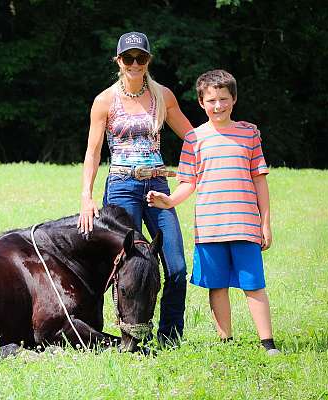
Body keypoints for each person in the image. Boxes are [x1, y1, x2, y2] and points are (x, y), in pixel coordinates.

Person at [146, 69, 280, 355]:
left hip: (245, 225)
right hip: (210, 228)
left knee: (253, 284)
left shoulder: (249, 133)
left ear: (233, 99)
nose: (218, 106)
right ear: (201, 103)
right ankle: (225, 342)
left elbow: (260, 180)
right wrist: (168, 201)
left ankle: (267, 343)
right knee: (216, 286)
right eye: (211, 100)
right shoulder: (194, 139)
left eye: (223, 99)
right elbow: (188, 182)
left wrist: (265, 224)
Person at [77, 32, 192, 345]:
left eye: (140, 58)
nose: (134, 64)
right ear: (118, 61)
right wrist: (86, 197)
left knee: (177, 267)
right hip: (121, 186)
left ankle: (170, 335)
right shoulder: (104, 101)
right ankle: (128, 333)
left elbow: (192, 137)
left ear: (148, 61)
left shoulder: (163, 96)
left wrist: (223, 144)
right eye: (128, 58)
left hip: (157, 185)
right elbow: (93, 151)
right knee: (126, 264)